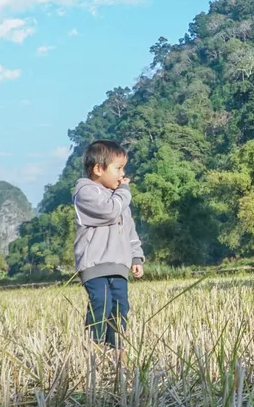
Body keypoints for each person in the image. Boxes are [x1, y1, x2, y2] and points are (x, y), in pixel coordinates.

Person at [73, 140, 145, 359]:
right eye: (118, 168)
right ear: (98, 169)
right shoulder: (85, 193)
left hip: (119, 265)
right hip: (95, 265)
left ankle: (116, 347)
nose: (123, 174)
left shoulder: (120, 199)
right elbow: (109, 212)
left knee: (120, 306)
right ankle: (94, 345)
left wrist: (136, 256)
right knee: (101, 301)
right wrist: (124, 191)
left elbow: (129, 229)